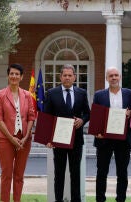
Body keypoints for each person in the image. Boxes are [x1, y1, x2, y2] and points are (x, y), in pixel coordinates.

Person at [44, 64, 90, 202]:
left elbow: (88, 113)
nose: (67, 78)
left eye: (70, 75)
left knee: (75, 173)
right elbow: (47, 116)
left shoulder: (82, 93)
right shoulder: (51, 93)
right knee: (59, 174)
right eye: (65, 75)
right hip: (58, 140)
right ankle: (58, 200)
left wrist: (82, 120)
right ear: (60, 77)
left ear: (74, 77)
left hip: (76, 140)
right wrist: (48, 138)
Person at [92, 67, 131, 202]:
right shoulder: (99, 95)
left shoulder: (130, 94)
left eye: (116, 75)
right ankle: (100, 199)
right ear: (107, 78)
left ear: (120, 77)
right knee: (101, 173)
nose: (114, 78)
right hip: (104, 139)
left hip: (124, 140)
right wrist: (96, 132)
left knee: (122, 173)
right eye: (111, 76)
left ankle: (121, 199)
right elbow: (96, 116)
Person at [0, 63, 36, 202]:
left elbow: (31, 116)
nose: (14, 76)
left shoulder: (27, 95)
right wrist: (11, 138)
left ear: (21, 77)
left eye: (17, 74)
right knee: (6, 175)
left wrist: (25, 137)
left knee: (19, 176)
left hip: (24, 140)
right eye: (11, 74)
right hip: (5, 139)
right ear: (8, 76)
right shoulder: (0, 94)